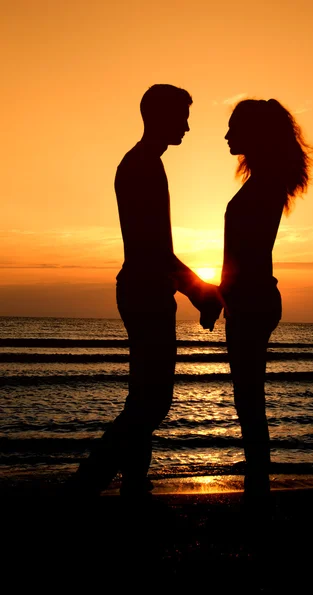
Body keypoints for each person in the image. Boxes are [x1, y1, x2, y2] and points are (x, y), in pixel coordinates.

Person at [66, 84, 222, 498]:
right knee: (151, 402)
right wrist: (201, 292)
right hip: (145, 290)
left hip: (145, 288)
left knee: (145, 397)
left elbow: (158, 250)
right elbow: (155, 249)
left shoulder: (145, 163)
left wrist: (197, 290)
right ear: (159, 116)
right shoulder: (142, 166)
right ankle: (88, 483)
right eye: (182, 117)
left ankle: (134, 483)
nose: (188, 127)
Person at [205, 98, 313, 505]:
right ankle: (257, 488)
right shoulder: (263, 180)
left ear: (254, 133)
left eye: (234, 127)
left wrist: (218, 297)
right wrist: (219, 296)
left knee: (249, 402)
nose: (228, 135)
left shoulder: (266, 182)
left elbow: (244, 254)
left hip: (251, 299)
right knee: (248, 400)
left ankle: (258, 493)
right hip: (251, 297)